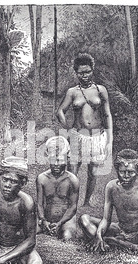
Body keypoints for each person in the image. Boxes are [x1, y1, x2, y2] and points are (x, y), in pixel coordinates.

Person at [55, 52, 113, 207]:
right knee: (72, 171)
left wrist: (109, 141)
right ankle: (71, 202)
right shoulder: (72, 92)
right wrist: (67, 128)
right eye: (81, 73)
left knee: (93, 172)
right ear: (76, 73)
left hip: (96, 136)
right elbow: (60, 111)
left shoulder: (101, 90)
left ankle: (87, 202)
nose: (85, 75)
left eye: (87, 72)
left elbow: (107, 115)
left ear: (92, 71)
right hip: (78, 135)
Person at [79, 149, 138, 255]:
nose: (126, 176)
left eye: (131, 172)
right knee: (84, 218)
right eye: (122, 172)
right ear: (117, 170)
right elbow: (106, 219)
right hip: (120, 228)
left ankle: (115, 242)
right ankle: (105, 241)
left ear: (137, 171)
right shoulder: (111, 186)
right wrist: (99, 234)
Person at [36, 136, 80, 241]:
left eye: (59, 160)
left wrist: (60, 223)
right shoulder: (42, 178)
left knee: (67, 237)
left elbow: (73, 207)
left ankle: (61, 228)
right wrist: (43, 220)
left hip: (66, 219)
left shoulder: (72, 180)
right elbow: (39, 204)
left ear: (67, 158)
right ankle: (46, 226)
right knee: (31, 232)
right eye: (52, 160)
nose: (56, 164)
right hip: (46, 218)